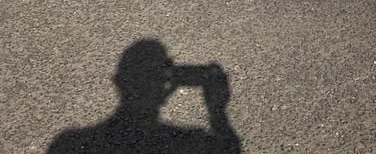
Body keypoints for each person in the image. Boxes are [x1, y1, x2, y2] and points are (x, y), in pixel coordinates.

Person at [48, 40, 241, 153]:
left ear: (118, 81)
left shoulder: (68, 144)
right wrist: (217, 111)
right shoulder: (190, 143)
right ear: (165, 88)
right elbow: (230, 150)